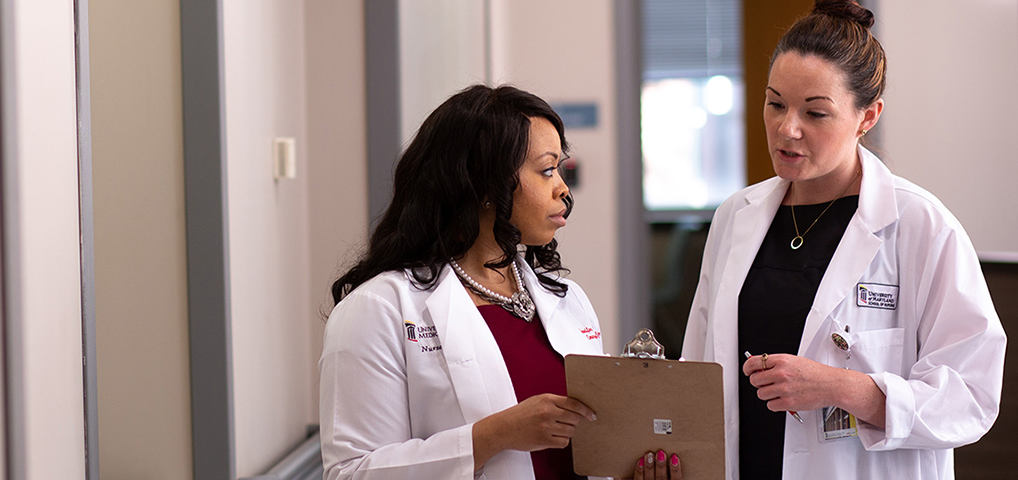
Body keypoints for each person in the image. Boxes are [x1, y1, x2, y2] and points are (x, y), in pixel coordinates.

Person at [680, 1, 1006, 479]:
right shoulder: (736, 217)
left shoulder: (921, 226)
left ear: (867, 116)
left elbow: (973, 397)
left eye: (815, 113)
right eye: (775, 104)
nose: (786, 129)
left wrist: (845, 388)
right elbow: (699, 371)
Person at [321, 84, 683, 480]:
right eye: (546, 170)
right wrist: (494, 435)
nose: (563, 187)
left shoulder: (566, 300)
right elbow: (350, 472)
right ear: (486, 186)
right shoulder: (379, 309)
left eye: (559, 169)